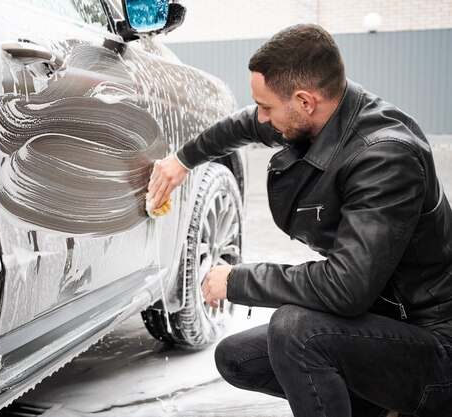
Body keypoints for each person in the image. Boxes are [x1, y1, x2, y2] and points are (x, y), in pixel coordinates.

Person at [147, 23, 452, 417]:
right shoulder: (323, 112)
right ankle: (379, 405)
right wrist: (181, 161)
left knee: (297, 332)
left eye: (266, 107)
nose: (260, 117)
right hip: (380, 317)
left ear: (305, 101)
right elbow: (241, 125)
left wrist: (238, 279)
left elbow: (346, 288)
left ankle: (407, 400)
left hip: (434, 343)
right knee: (236, 357)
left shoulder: (385, 159)